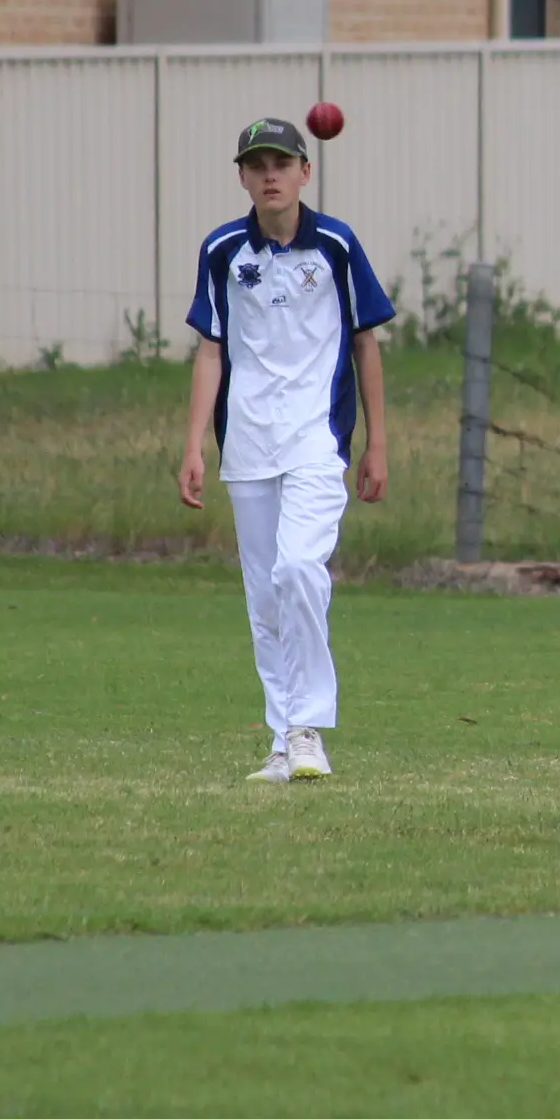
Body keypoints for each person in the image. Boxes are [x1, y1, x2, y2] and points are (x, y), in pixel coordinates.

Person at [175, 116, 394, 782]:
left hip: (316, 439)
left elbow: (365, 343)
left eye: (281, 163)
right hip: (246, 443)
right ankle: (281, 739)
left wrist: (378, 443)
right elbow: (211, 351)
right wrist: (192, 444)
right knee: (265, 598)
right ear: (242, 175)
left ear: (305, 171)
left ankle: (308, 727)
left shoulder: (335, 243)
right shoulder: (222, 251)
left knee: (299, 570)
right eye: (256, 164)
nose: (269, 175)